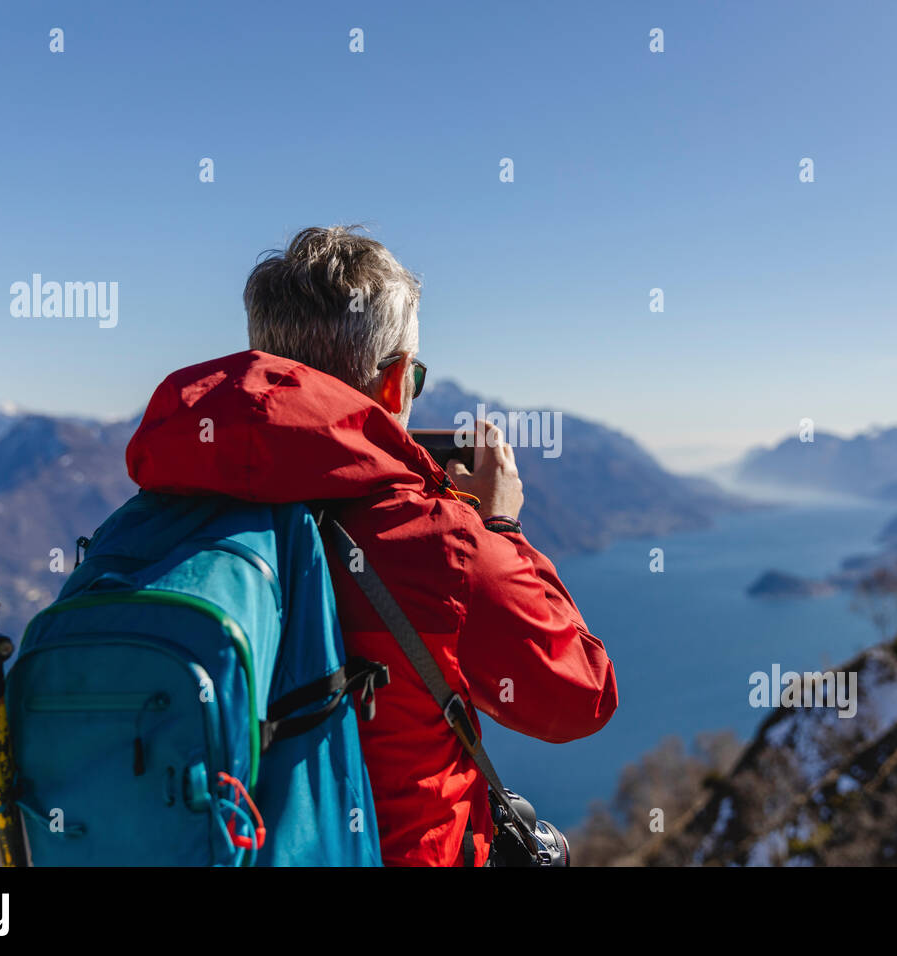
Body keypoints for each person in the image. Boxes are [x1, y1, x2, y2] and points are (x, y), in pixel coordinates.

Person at [126, 225, 618, 865]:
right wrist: (499, 529)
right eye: (415, 372)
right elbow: (579, 697)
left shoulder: (160, 511)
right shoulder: (439, 546)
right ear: (392, 385)